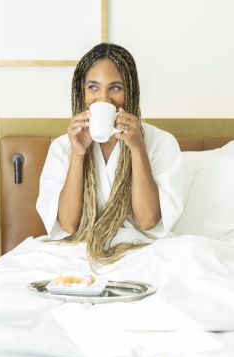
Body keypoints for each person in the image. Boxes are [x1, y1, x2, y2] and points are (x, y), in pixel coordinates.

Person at [36, 43, 183, 265]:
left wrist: (137, 148)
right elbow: (67, 224)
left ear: (130, 91)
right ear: (81, 92)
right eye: (93, 88)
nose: (104, 99)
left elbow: (147, 220)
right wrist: (78, 153)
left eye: (115, 88)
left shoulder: (161, 143)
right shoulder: (62, 147)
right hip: (80, 250)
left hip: (142, 251)